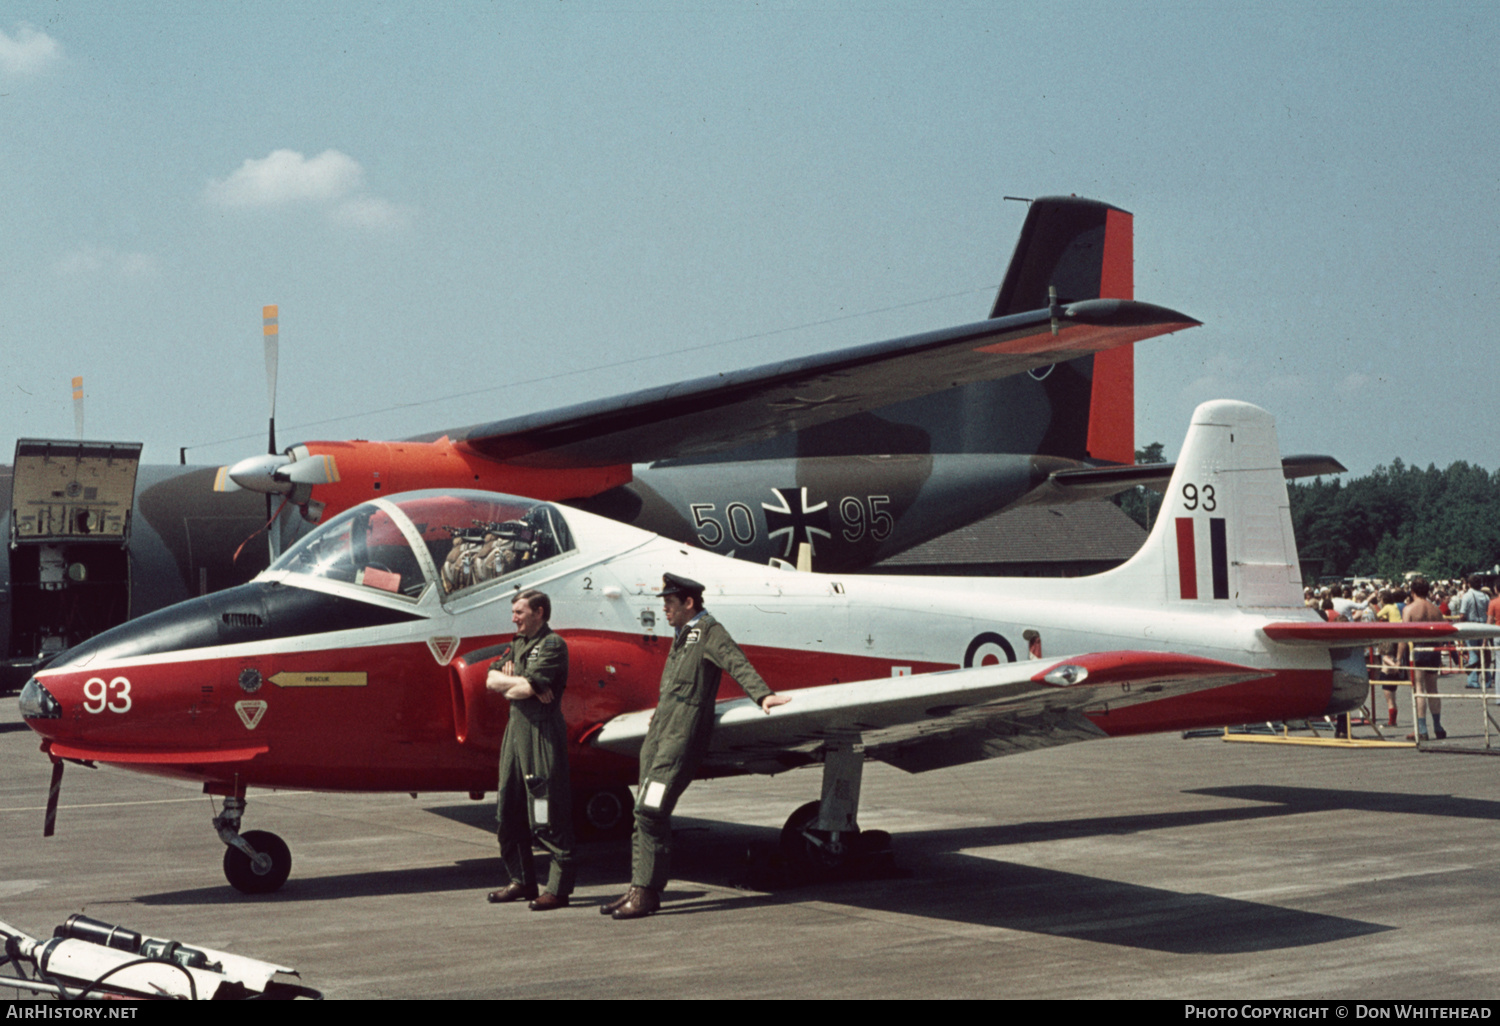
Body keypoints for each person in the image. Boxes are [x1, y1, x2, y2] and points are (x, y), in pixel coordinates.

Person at [605, 573, 792, 920]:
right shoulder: (682, 638)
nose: (664, 609)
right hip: (660, 733)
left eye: (669, 603)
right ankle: (637, 887)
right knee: (640, 814)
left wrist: (762, 694)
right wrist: (660, 713)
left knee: (651, 810)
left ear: (688, 603)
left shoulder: (709, 632)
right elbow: (674, 685)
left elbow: (735, 660)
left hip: (681, 737)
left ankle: (648, 891)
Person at [485, 589, 576, 910]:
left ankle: (558, 889)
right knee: (508, 809)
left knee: (546, 810)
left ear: (539, 612)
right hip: (515, 732)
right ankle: (521, 881)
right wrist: (520, 686)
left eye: (520, 612)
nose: (514, 618)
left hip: (541, 732)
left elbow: (529, 686)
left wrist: (521, 685)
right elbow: (491, 680)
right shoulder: (518, 644)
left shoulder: (553, 645)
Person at [1403, 578, 1446, 742]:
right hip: (1434, 648)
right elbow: (1442, 633)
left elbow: (1404, 634)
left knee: (1419, 688)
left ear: (1412, 591)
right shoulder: (1436, 610)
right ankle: (1437, 725)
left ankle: (1422, 728)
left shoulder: (1410, 609)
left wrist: (1400, 656)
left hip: (1418, 648)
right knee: (1433, 689)